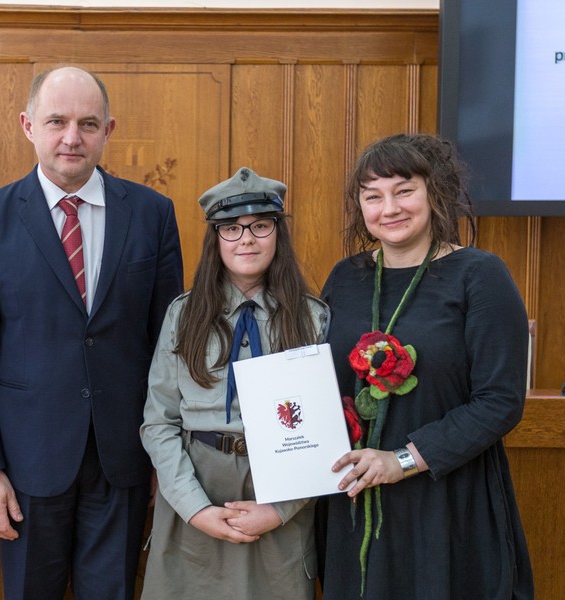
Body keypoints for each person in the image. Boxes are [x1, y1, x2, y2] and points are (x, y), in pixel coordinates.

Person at [0, 65, 183, 599]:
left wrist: (164, 455)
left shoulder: (152, 215)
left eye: (87, 123)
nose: (72, 137)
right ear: (28, 125)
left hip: (123, 457)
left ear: (110, 129)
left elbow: (165, 347)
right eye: (56, 121)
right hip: (26, 464)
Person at [316, 133, 533, 599]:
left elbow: (500, 402)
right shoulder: (344, 277)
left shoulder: (481, 276)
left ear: (435, 193)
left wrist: (401, 460)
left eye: (404, 190)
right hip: (355, 501)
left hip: (447, 503)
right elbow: (320, 385)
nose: (388, 208)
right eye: (372, 196)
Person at [140, 167, 329, 599]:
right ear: (215, 240)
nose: (247, 238)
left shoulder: (313, 318)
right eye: (231, 228)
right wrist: (196, 508)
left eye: (261, 225)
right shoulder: (183, 316)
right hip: (196, 484)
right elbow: (159, 422)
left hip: (281, 491)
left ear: (278, 234)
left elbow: (321, 435)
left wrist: (278, 510)